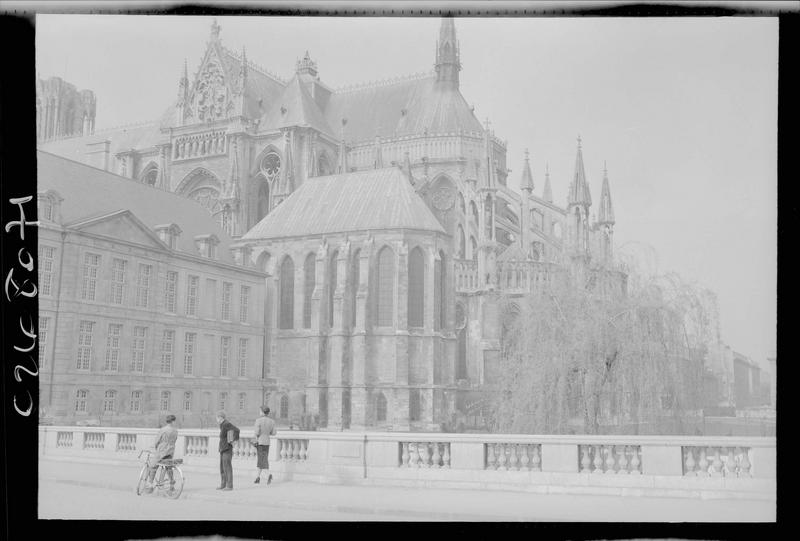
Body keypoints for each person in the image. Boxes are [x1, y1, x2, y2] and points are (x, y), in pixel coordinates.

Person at [146, 414, 178, 493]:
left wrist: (157, 448)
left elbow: (157, 441)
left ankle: (150, 485)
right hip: (170, 452)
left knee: (153, 466)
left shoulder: (163, 430)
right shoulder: (175, 431)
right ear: (173, 421)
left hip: (162, 451)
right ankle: (171, 485)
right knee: (168, 467)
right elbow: (174, 441)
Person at [253, 405, 276, 485]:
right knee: (262, 459)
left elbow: (256, 432)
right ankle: (257, 477)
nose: (259, 412)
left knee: (261, 460)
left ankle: (268, 475)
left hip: (260, 442)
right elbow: (274, 433)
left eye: (260, 411)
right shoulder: (272, 421)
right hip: (267, 442)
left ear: (262, 412)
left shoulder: (258, 420)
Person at [216, 410, 236, 491]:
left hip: (227, 449)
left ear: (220, 417)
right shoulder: (222, 425)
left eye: (217, 418)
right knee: (222, 467)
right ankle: (223, 484)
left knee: (227, 467)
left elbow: (230, 437)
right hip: (223, 449)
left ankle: (229, 485)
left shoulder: (227, 424)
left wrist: (231, 445)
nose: (216, 420)